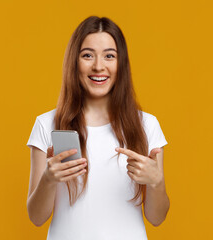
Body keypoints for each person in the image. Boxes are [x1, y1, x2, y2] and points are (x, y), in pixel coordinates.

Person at [26, 16, 170, 240]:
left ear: (121, 63)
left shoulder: (147, 125)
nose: (98, 66)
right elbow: (36, 217)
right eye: (87, 55)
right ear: (75, 61)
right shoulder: (46, 124)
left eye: (109, 56)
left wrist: (156, 181)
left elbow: (157, 218)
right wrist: (48, 179)